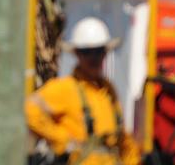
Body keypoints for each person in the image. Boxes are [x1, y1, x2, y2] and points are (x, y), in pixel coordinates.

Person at [26, 17, 140, 165]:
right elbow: (29, 111)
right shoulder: (65, 88)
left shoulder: (107, 90)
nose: (94, 58)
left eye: (99, 51)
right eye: (87, 52)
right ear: (78, 54)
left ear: (105, 53)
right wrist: (62, 141)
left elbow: (123, 139)